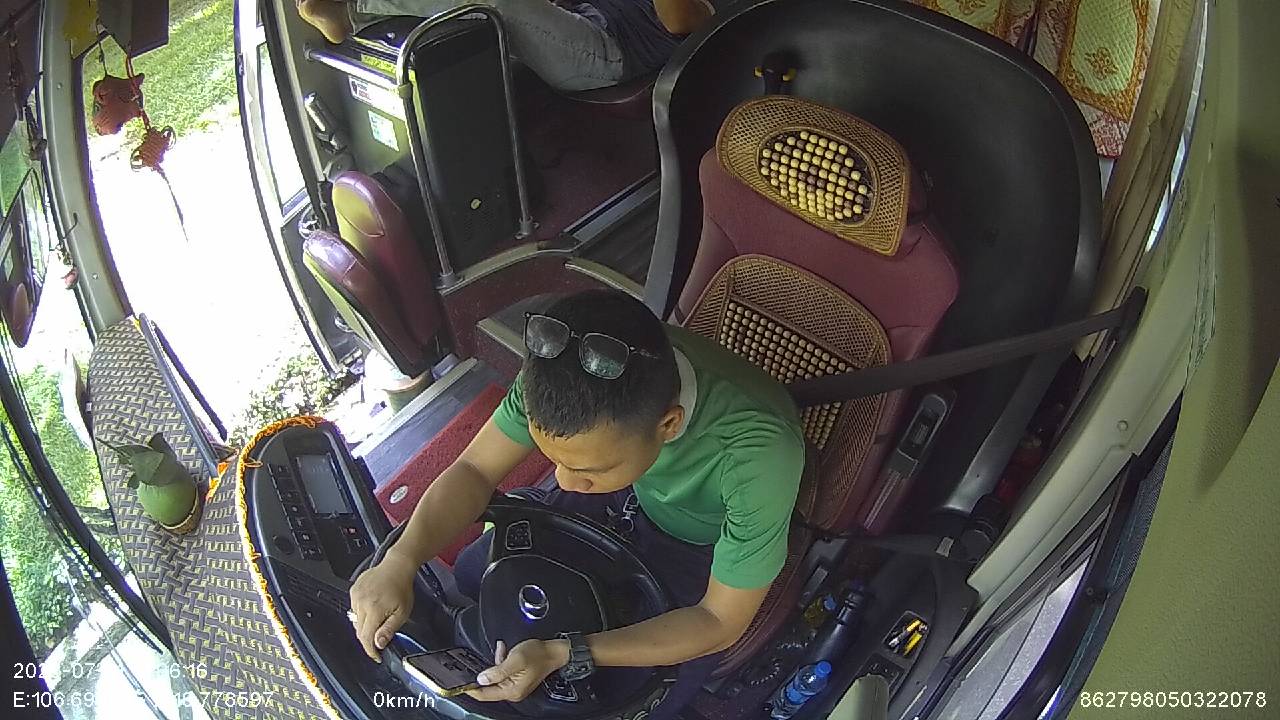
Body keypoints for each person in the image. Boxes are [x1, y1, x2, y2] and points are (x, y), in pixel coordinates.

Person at [349, 289, 806, 719]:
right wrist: (401, 559)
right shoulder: (561, 372)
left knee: (620, 694)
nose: (565, 481)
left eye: (588, 469)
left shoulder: (759, 457)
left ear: (669, 425)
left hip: (699, 544)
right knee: (474, 571)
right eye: (554, 460)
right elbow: (474, 470)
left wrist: (566, 652)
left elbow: (718, 620)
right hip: (625, 492)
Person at [296, 0, 717, 92]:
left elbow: (683, 21)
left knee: (497, 2)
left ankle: (352, 10)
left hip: (608, 53)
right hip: (583, 21)